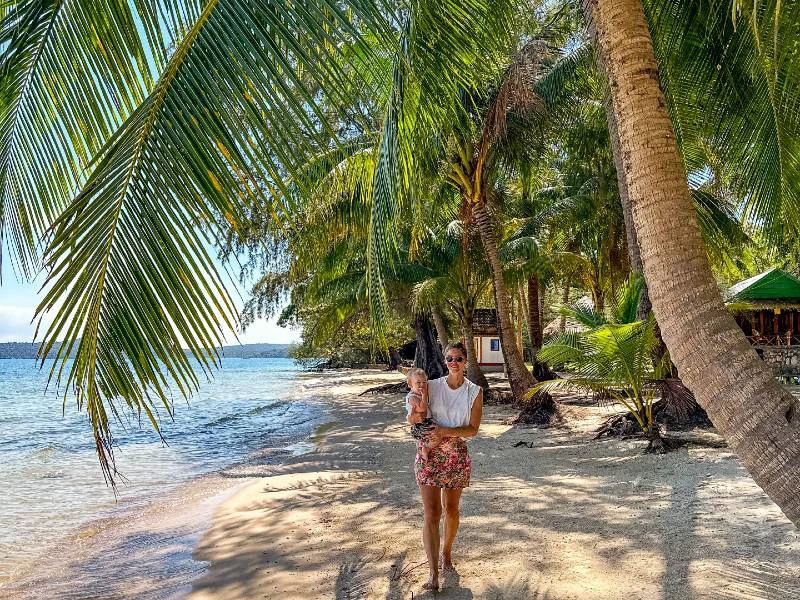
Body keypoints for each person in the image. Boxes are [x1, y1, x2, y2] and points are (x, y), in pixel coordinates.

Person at [406, 341, 483, 591]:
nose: (454, 363)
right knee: (431, 513)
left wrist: (445, 431)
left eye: (459, 359)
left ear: (466, 362)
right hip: (429, 453)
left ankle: (446, 553)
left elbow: (472, 429)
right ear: (444, 361)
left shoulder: (475, 391)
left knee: (451, 509)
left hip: (455, 454)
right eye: (449, 359)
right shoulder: (432, 386)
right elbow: (413, 406)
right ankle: (433, 573)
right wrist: (414, 418)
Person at [404, 368, 443, 462]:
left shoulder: (419, 395)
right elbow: (422, 409)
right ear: (410, 384)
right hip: (421, 425)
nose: (422, 385)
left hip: (426, 422)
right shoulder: (412, 397)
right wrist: (425, 395)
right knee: (438, 435)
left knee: (438, 432)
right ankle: (426, 448)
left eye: (424, 382)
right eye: (418, 382)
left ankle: (422, 447)